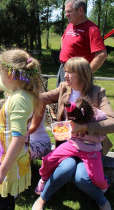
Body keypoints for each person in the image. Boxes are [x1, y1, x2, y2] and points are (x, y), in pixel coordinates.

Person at [32, 57, 114, 210]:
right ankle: (42, 199)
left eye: (71, 72)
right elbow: (43, 98)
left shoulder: (97, 92)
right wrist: (24, 92)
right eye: (66, 71)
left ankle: (102, 201)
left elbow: (112, 122)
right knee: (65, 168)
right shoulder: (64, 88)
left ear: (82, 75)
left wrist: (82, 128)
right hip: (68, 143)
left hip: (91, 146)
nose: (66, 75)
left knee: (82, 178)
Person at [0, 49, 42, 209]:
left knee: (4, 202)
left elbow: (18, 139)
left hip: (9, 162)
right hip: (14, 158)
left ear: (10, 76)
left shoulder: (17, 100)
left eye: (3, 75)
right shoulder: (23, 92)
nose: (1, 79)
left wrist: (2, 170)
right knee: (7, 200)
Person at [35, 98, 109, 196]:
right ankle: (44, 179)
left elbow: (101, 136)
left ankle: (104, 185)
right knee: (48, 159)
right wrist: (65, 132)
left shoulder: (98, 117)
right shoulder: (72, 111)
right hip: (73, 144)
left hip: (91, 148)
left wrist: (84, 132)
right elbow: (68, 129)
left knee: (98, 179)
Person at [56, 0, 107, 87]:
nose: (66, 14)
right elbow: (63, 38)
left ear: (80, 11)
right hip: (63, 69)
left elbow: (102, 54)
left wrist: (85, 73)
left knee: (75, 100)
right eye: (66, 12)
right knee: (61, 98)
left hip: (77, 73)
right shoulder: (70, 25)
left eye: (69, 11)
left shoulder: (91, 29)